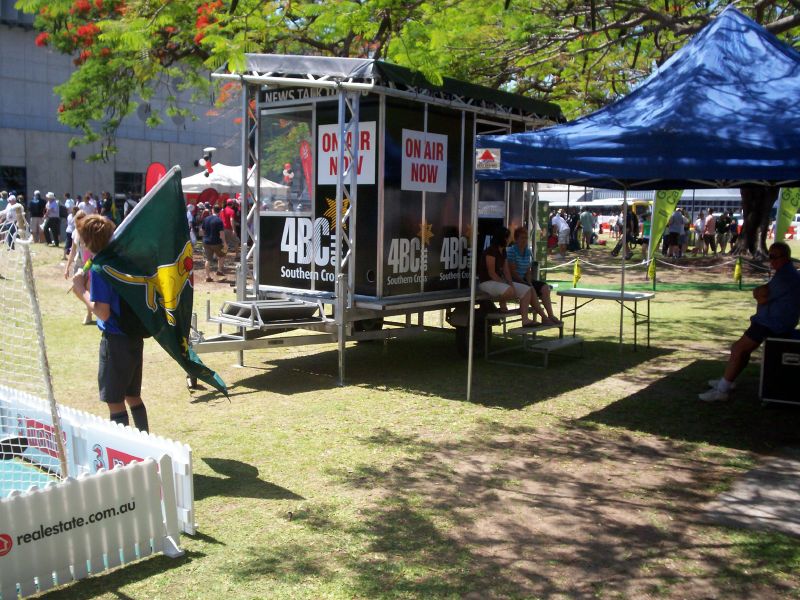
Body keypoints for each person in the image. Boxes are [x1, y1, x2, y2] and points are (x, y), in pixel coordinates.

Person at [71, 214, 149, 431]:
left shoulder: (100, 269)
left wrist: (81, 291)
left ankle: (125, 452)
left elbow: (102, 312)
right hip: (133, 337)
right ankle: (146, 440)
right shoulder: (119, 261)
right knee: (132, 395)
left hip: (115, 341)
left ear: (88, 241)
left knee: (114, 400)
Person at [699, 242, 800, 402]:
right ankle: (728, 381)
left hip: (771, 324)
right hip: (771, 322)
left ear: (786, 257)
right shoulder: (785, 273)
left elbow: (762, 295)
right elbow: (761, 292)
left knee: (738, 349)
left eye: (775, 257)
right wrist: (759, 293)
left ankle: (722, 390)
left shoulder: (786, 277)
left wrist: (759, 294)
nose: (771, 260)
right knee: (741, 350)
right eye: (770, 256)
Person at [478, 227, 539, 327]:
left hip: (498, 281)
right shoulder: (490, 251)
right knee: (509, 290)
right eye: (508, 237)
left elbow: (506, 271)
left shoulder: (503, 251)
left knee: (527, 290)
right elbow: (491, 273)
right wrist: (506, 284)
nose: (510, 240)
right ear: (502, 238)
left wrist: (510, 283)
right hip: (486, 282)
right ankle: (502, 302)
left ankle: (525, 320)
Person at [506, 226, 562, 325]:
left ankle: (551, 315)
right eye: (522, 238)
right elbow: (513, 272)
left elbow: (528, 270)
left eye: (526, 238)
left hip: (524, 279)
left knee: (545, 287)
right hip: (513, 280)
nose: (524, 240)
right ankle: (544, 317)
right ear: (516, 239)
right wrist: (526, 283)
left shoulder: (528, 251)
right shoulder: (511, 251)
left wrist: (529, 281)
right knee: (530, 289)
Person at [64, 210, 93, 325]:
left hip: (90, 264)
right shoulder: (75, 232)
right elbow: (73, 251)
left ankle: (89, 314)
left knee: (89, 288)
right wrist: (67, 268)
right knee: (77, 290)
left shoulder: (90, 232)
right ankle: (91, 307)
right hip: (78, 263)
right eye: (78, 219)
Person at [200, 204, 226, 282]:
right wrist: (224, 243)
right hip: (216, 242)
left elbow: (202, 231)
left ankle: (208, 276)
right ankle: (219, 270)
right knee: (222, 254)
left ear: (212, 210)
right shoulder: (219, 220)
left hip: (206, 242)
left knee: (208, 259)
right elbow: (221, 233)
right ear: (220, 211)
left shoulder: (206, 219)